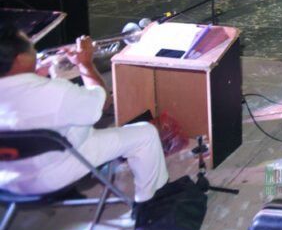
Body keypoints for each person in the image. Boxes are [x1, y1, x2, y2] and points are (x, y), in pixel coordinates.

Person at [0, 27, 169, 206]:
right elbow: (101, 102)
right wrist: (85, 64)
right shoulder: (55, 92)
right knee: (145, 134)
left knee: (71, 117)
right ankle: (149, 200)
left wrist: (34, 75)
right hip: (49, 175)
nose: (36, 52)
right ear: (19, 59)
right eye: (32, 49)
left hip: (7, 179)